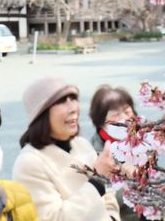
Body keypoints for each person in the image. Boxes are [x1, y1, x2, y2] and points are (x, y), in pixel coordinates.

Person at [13, 76, 120, 221]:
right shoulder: (29, 163)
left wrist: (112, 217)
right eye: (62, 101)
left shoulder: (82, 144)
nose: (74, 108)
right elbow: (54, 217)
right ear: (41, 114)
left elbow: (108, 196)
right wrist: (97, 182)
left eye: (73, 99)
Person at [89, 86, 144, 221]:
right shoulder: (95, 155)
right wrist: (129, 180)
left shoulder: (143, 142)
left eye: (127, 111)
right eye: (115, 115)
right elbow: (97, 202)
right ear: (100, 123)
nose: (124, 118)